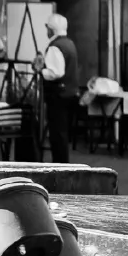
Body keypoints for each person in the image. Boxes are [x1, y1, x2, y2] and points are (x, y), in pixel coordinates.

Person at [36, 12, 80, 164]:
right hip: (70, 93)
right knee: (62, 133)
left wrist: (40, 70)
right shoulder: (69, 43)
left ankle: (60, 165)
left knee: (57, 134)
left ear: (52, 29)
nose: (46, 30)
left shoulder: (55, 46)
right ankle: (62, 163)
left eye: (48, 27)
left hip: (58, 95)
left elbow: (56, 73)